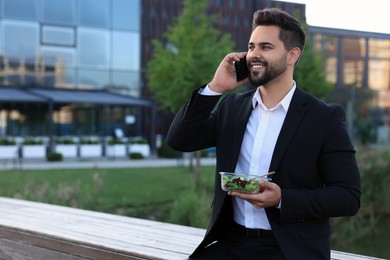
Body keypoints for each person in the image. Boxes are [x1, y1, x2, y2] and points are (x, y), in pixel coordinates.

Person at [166, 8, 361, 260]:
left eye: (266, 47)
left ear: (292, 55)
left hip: (290, 250)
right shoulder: (231, 107)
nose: (254, 54)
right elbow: (179, 139)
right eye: (251, 46)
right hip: (231, 243)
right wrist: (215, 88)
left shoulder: (324, 118)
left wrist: (282, 199)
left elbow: (348, 197)